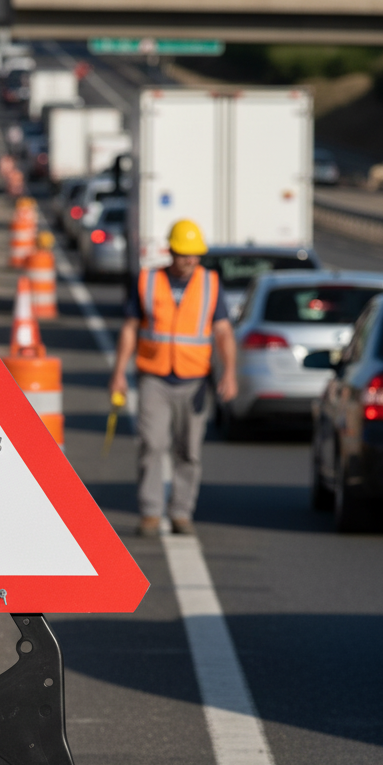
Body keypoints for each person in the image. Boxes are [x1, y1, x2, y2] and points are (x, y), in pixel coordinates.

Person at [108, 219, 237, 537]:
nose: (190, 261)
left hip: (194, 380)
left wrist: (229, 373)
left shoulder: (210, 284)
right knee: (151, 443)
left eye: (195, 255)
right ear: (170, 251)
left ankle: (181, 512)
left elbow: (222, 332)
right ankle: (151, 512)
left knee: (189, 450)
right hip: (154, 376)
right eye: (184, 254)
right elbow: (130, 328)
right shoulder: (147, 281)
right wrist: (119, 373)